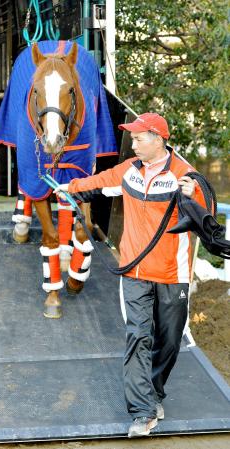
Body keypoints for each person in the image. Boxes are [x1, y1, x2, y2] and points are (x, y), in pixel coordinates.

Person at [54, 112, 205, 437]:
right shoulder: (129, 171)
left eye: (138, 138)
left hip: (172, 273)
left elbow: (205, 215)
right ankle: (143, 412)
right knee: (138, 336)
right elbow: (100, 180)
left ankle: (154, 390)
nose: (132, 144)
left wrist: (193, 197)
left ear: (158, 139)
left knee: (169, 339)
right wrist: (70, 188)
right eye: (132, 138)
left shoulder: (185, 174)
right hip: (135, 271)